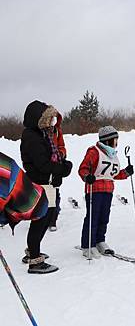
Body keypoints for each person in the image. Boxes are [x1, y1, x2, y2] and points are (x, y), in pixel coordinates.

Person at [20, 100, 73, 273]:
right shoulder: (32, 137)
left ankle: (33, 251)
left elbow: (50, 158)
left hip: (47, 183)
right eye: (49, 118)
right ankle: (34, 261)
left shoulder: (41, 134)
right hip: (40, 184)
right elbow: (42, 164)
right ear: (39, 119)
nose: (52, 122)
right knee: (40, 220)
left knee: (46, 216)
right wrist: (63, 169)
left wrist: (59, 166)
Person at [78, 126, 133, 259]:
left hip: (108, 190)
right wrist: (87, 176)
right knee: (93, 217)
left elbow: (112, 174)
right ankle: (88, 245)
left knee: (104, 217)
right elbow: (83, 169)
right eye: (115, 139)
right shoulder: (94, 152)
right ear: (108, 140)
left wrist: (126, 172)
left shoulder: (112, 155)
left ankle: (99, 240)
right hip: (94, 190)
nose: (116, 142)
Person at [46, 108, 66, 232]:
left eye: (54, 118)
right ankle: (40, 217)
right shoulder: (39, 132)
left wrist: (61, 154)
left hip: (56, 166)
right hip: (43, 166)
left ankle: (53, 219)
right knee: (43, 192)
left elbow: (62, 146)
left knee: (55, 193)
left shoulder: (57, 131)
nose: (52, 120)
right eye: (50, 118)